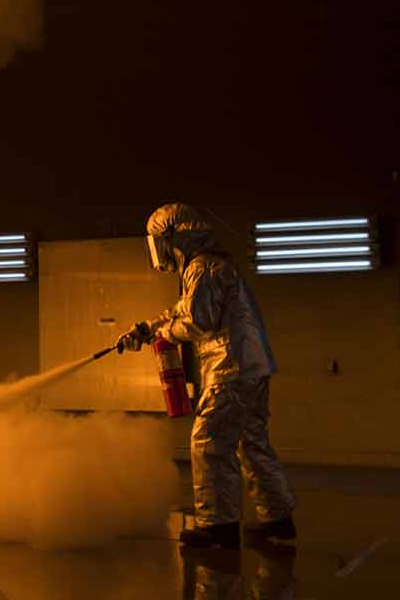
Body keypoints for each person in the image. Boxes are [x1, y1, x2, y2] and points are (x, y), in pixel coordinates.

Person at [117, 203, 297, 548]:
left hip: (229, 368)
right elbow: (183, 310)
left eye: (160, 242)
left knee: (208, 443)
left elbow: (198, 321)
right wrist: (145, 328)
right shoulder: (211, 266)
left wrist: (164, 334)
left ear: (173, 238)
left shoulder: (202, 268)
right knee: (252, 444)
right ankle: (279, 518)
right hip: (252, 367)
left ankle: (218, 525)